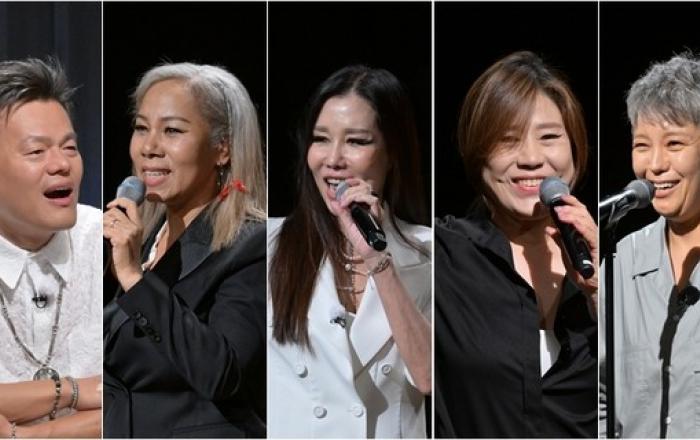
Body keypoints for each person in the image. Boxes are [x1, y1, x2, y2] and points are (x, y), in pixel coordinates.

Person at [435, 51, 598, 437]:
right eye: (507, 140)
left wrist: (599, 293)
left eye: (549, 137)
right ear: (478, 154)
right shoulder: (441, 256)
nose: (531, 158)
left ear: (575, 147)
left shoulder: (616, 259)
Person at [102, 62, 267, 438]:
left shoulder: (251, 245)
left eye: (172, 130)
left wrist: (134, 278)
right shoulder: (143, 241)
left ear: (222, 149)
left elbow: (222, 373)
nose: (149, 147)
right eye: (141, 128)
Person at [268, 65, 431, 438]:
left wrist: (377, 259)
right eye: (320, 139)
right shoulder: (270, 244)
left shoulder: (430, 251)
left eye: (356, 141)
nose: (333, 159)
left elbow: (428, 377)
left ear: (393, 152)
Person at [599, 53, 700, 438]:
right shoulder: (620, 263)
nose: (654, 164)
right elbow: (599, 393)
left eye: (674, 143)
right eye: (642, 145)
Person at [0, 58, 102, 437]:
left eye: (70, 147)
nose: (61, 164)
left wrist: (26, 435)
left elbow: (144, 403)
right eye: (36, 152)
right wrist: (77, 391)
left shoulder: (110, 244)